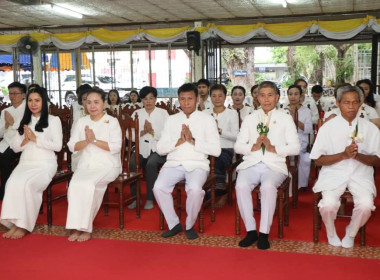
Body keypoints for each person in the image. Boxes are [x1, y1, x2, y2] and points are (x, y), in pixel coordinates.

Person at [310, 85, 380, 248]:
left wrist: (357, 155)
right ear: (338, 103)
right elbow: (317, 160)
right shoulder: (328, 127)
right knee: (328, 205)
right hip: (333, 173)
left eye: (355, 102)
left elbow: (378, 160)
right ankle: (331, 231)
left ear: (361, 103)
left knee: (365, 205)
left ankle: (351, 232)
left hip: (361, 174)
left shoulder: (370, 128)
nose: (351, 107)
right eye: (347, 102)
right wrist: (343, 155)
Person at [234, 81, 300, 250]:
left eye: (270, 95)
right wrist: (253, 147)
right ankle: (251, 231)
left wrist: (273, 148)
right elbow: (238, 146)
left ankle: (264, 233)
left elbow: (295, 148)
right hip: (252, 162)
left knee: (268, 187)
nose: (266, 99)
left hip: (275, 164)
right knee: (240, 185)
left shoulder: (285, 119)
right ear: (257, 97)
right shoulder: (250, 118)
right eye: (262, 95)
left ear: (277, 97)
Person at [153, 83, 221, 240]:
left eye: (190, 99)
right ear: (178, 100)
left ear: (197, 99)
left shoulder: (207, 119)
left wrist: (192, 140)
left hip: (198, 163)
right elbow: (160, 149)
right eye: (182, 99)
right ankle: (174, 223)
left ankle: (189, 225)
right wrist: (178, 141)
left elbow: (216, 151)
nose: (186, 102)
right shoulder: (171, 120)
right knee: (159, 188)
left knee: (195, 190)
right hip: (174, 163)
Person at [0, 87, 62, 239]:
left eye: (37, 100)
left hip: (45, 163)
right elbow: (14, 148)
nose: (33, 104)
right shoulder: (24, 121)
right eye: (30, 100)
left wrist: (35, 139)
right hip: (25, 162)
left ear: (44, 102)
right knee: (12, 183)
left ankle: (23, 225)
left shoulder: (54, 120)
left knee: (27, 185)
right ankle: (12, 222)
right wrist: (25, 141)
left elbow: (58, 146)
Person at [65, 87, 122, 242]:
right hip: (86, 164)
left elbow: (116, 147)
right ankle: (75, 226)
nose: (92, 106)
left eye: (96, 102)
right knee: (75, 185)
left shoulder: (112, 121)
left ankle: (85, 228)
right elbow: (72, 146)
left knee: (89, 185)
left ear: (104, 103)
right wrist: (86, 141)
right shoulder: (82, 121)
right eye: (88, 102)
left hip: (108, 165)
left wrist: (94, 140)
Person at [128, 86, 169, 210]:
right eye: (145, 99)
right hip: (141, 147)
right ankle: (136, 198)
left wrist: (151, 131)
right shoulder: (136, 113)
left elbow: (169, 134)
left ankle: (150, 198)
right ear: (141, 100)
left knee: (151, 164)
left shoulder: (163, 113)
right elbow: (129, 136)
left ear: (155, 99)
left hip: (159, 148)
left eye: (151, 98)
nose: (148, 101)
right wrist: (142, 132)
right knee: (132, 163)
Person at [204, 84, 239, 207]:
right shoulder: (205, 113)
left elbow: (236, 136)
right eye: (213, 96)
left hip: (226, 148)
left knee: (216, 160)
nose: (217, 98)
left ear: (225, 97)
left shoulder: (232, 113)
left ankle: (220, 191)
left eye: (220, 96)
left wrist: (219, 131)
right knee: (200, 161)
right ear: (210, 97)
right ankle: (205, 191)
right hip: (207, 148)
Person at [0, 82, 26, 200]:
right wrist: (5, 125)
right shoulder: (6, 110)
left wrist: (11, 122)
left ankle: (7, 190)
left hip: (21, 143)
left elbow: (24, 130)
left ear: (23, 95)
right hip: (5, 142)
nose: (12, 96)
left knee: (4, 158)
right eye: (10, 93)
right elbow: (1, 133)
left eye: (15, 93)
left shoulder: (28, 109)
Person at [284, 85, 313, 189]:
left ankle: (300, 184)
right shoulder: (283, 110)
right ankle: (284, 182)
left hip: (300, 139)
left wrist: (294, 118)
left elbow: (308, 129)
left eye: (296, 94)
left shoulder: (306, 111)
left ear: (301, 96)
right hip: (285, 140)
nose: (293, 96)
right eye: (290, 94)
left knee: (300, 155)